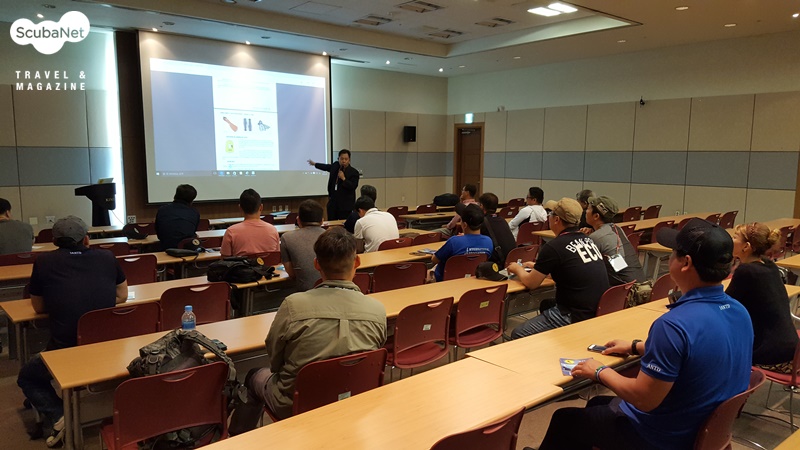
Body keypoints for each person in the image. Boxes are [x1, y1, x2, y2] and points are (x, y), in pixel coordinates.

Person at [535, 218, 752, 450]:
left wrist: (598, 371)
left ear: (686, 262)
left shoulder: (673, 325)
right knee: (596, 404)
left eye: (673, 252)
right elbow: (697, 352)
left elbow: (643, 399)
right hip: (698, 427)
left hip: (661, 438)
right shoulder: (739, 311)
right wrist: (635, 347)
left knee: (564, 420)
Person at [229, 227, 386, 430]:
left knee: (253, 376)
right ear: (357, 262)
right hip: (356, 398)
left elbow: (275, 359)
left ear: (316, 264)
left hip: (298, 404)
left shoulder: (293, 305)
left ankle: (238, 437)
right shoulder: (377, 310)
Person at [17, 216, 127, 447]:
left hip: (66, 349)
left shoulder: (44, 261)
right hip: (109, 345)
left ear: (54, 241)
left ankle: (59, 415)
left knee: (27, 377)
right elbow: (122, 296)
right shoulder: (107, 257)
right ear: (86, 239)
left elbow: (38, 307)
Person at [508, 198, 608, 339]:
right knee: (546, 304)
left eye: (551, 214)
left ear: (556, 220)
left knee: (517, 333)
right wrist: (537, 267)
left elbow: (531, 283)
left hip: (574, 314)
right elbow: (570, 269)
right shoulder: (588, 240)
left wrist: (517, 269)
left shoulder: (554, 246)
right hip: (596, 309)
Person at [727, 222, 798, 373]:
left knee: (720, 345)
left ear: (746, 247)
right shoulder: (769, 265)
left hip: (772, 355)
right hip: (792, 350)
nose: (731, 240)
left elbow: (726, 305)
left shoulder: (746, 271)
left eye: (735, 237)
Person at [584, 196, 645, 286]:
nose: (586, 211)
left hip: (625, 289)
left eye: (588, 208)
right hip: (639, 283)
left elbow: (584, 267)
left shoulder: (597, 237)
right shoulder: (617, 229)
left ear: (596, 216)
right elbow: (617, 260)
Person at [431, 204, 493, 282]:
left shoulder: (454, 241)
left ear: (464, 225)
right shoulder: (488, 241)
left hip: (447, 282)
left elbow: (434, 259)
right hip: (474, 280)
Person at [280, 200, 326, 292]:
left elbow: (291, 274)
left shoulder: (287, 238)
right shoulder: (332, 236)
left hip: (304, 292)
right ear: (322, 221)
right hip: (332, 291)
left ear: (298, 220)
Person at [221, 188, 279, 257]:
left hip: (242, 264)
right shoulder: (273, 230)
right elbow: (276, 257)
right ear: (261, 207)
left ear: (240, 208)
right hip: (268, 264)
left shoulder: (231, 232)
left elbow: (224, 260)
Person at [308, 149, 360, 220]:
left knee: (344, 223)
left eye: (346, 159)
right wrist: (315, 164)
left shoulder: (354, 172)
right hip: (333, 203)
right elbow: (326, 167)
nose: (344, 161)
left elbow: (353, 186)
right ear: (338, 159)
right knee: (331, 222)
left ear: (349, 160)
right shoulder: (335, 166)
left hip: (345, 205)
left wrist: (344, 178)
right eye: (342, 159)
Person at [155, 184, 200, 250]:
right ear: (192, 200)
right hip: (188, 249)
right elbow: (193, 231)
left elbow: (158, 232)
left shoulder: (162, 210)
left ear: (175, 195)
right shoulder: (194, 212)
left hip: (166, 248)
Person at [478, 193, 517, 265]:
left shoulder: (482, 222)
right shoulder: (502, 220)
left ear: (482, 206)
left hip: (497, 263)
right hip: (511, 258)